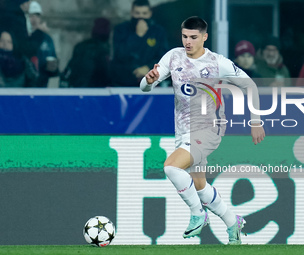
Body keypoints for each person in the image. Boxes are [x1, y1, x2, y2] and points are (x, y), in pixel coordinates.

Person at [140, 16, 265, 244]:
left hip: (209, 129)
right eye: (185, 37)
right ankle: (232, 222)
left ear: (205, 37)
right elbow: (145, 87)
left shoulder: (218, 63)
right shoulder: (173, 56)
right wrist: (149, 81)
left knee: (171, 167)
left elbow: (250, 85)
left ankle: (198, 215)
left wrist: (255, 121)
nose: (188, 42)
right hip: (183, 131)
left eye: (193, 37)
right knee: (200, 186)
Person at [111, 0, 168, 87]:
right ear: (131, 13)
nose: (141, 16)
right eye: (137, 13)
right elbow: (120, 54)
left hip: (151, 81)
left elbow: (163, 56)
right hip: (124, 82)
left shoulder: (158, 32)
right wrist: (137, 36)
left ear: (150, 14)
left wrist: (148, 68)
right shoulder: (121, 30)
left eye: (144, 13)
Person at [60, 17, 111, 88]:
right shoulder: (105, 50)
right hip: (97, 92)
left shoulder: (80, 46)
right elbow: (106, 73)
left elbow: (69, 70)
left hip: (79, 89)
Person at [28, 1, 58, 87]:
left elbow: (53, 58)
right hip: (26, 86)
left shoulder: (47, 39)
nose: (34, 19)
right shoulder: (23, 37)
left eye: (37, 15)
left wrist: (53, 68)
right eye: (31, 16)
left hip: (42, 84)